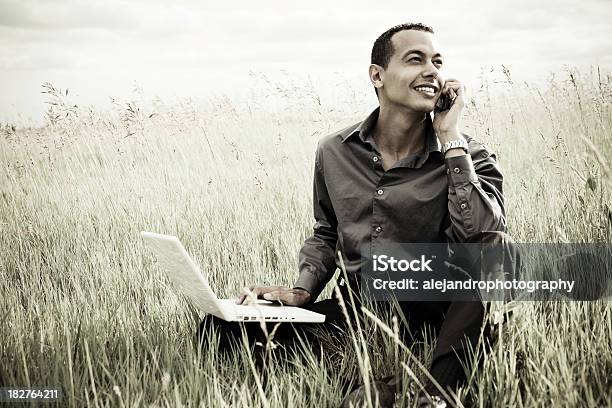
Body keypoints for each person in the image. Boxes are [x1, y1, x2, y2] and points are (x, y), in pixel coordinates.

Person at [198, 22, 517, 407]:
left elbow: (488, 239)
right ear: (377, 75)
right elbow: (327, 232)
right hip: (361, 311)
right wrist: (303, 290)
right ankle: (371, 380)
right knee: (220, 328)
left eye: (437, 61)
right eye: (415, 59)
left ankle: (437, 391)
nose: (432, 70)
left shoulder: (466, 155)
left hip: (443, 310)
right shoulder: (334, 151)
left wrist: (450, 138)